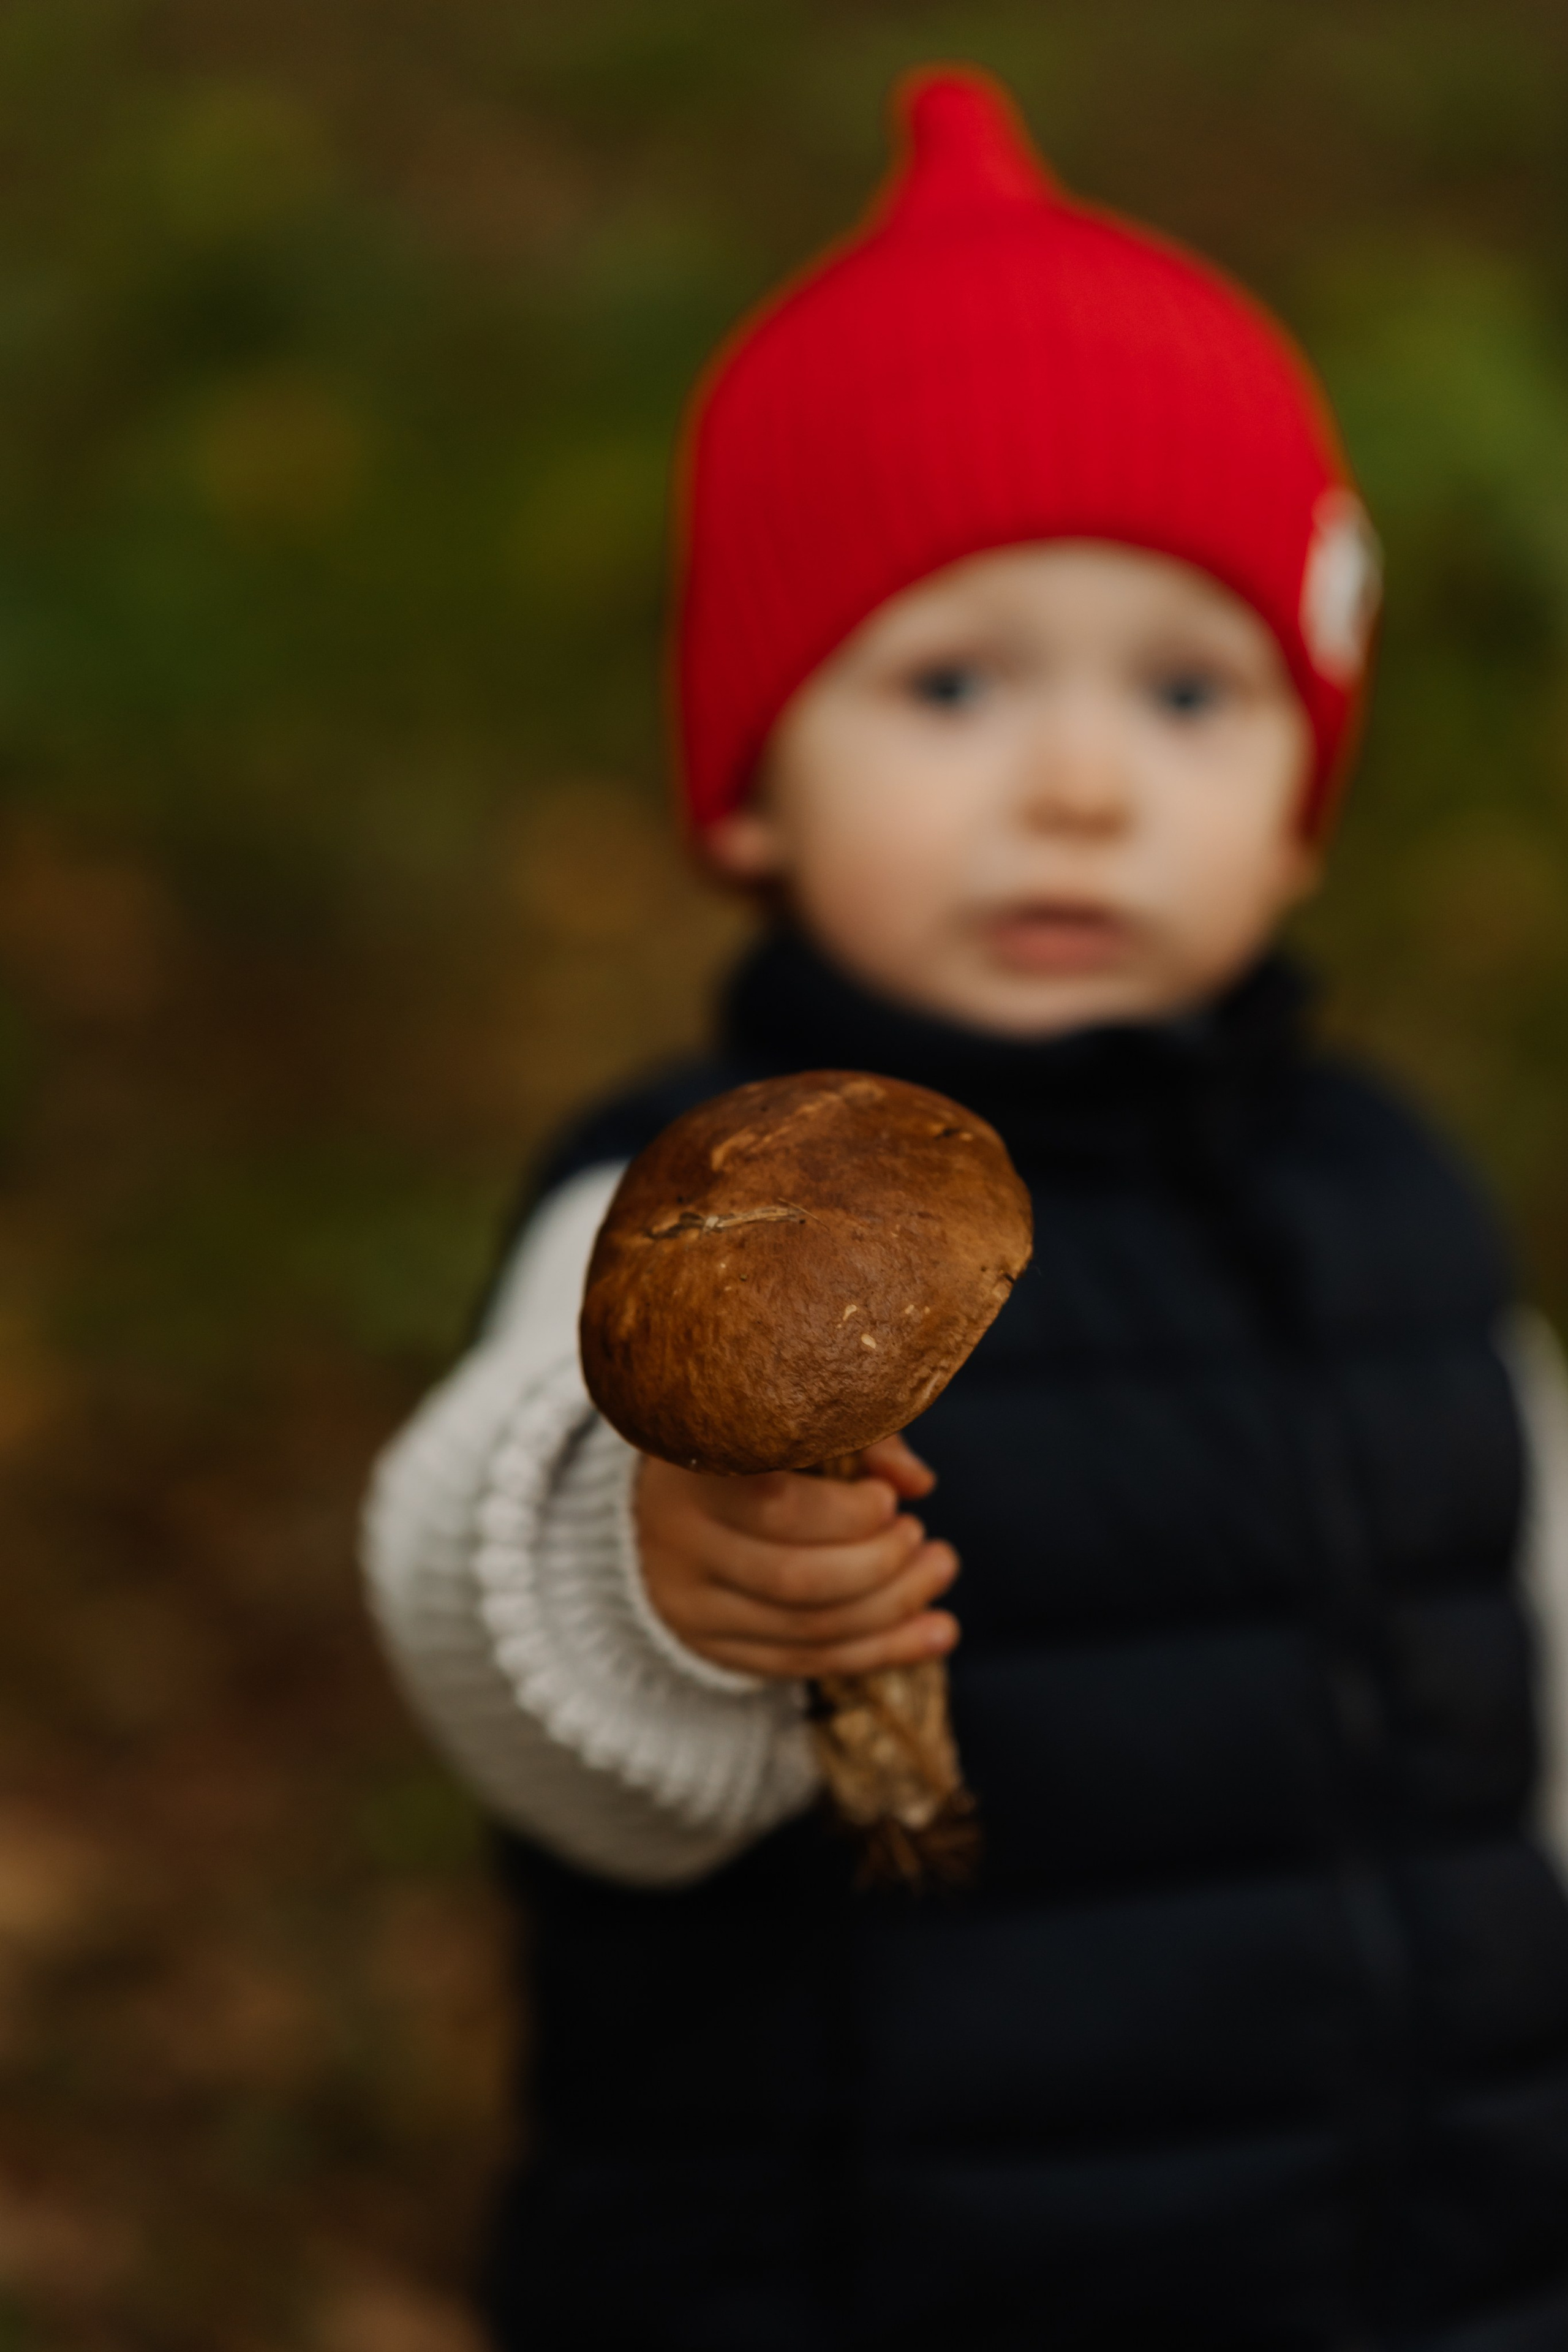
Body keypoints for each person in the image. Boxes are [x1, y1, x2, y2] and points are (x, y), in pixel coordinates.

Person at [363, 66, 1568, 2352]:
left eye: (1193, 691)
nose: (1083, 783)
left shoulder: (1396, 1197)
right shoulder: (690, 1196)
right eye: (951, 681)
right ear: (749, 788)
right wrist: (657, 1579)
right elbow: (470, 1596)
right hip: (863, 2269)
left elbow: (1537, 1641)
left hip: (1431, 2264)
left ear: (1307, 808)